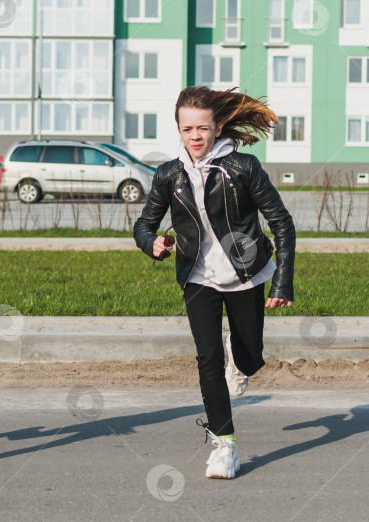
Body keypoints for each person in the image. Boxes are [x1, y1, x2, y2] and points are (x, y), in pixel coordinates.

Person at [133, 86, 295, 479]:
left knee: (250, 357)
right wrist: (150, 242)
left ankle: (240, 362)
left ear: (217, 126)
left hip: (246, 274)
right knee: (207, 358)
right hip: (198, 277)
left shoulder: (244, 168)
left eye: (202, 128)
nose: (195, 136)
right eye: (187, 128)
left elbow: (281, 223)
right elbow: (143, 224)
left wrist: (282, 284)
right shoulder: (168, 175)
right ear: (178, 129)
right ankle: (226, 444)